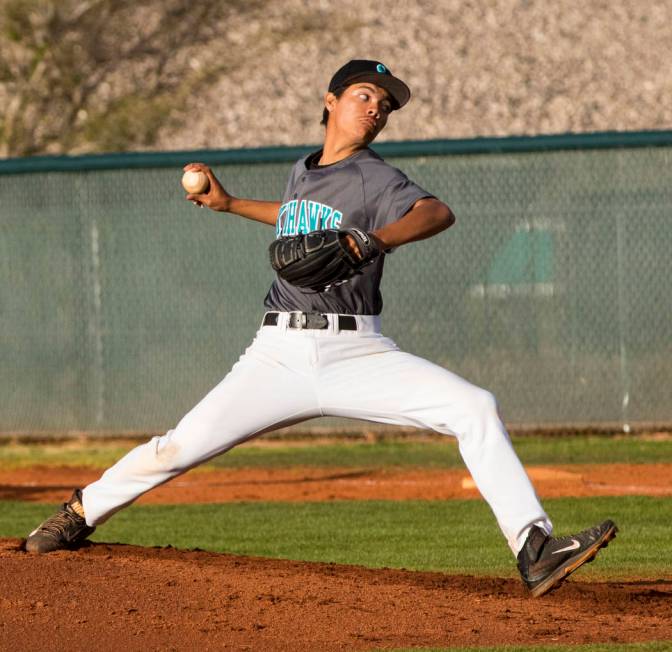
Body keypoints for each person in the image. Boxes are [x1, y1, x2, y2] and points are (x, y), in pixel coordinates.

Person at [25, 59, 617, 597]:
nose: (376, 109)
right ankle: (79, 513)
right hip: (277, 353)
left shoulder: (374, 177)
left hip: (357, 350)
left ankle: (534, 549)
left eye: (385, 105)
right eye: (366, 95)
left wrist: (376, 238)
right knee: (179, 445)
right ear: (330, 101)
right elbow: (296, 220)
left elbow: (436, 212)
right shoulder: (302, 171)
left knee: (475, 406)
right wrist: (231, 205)